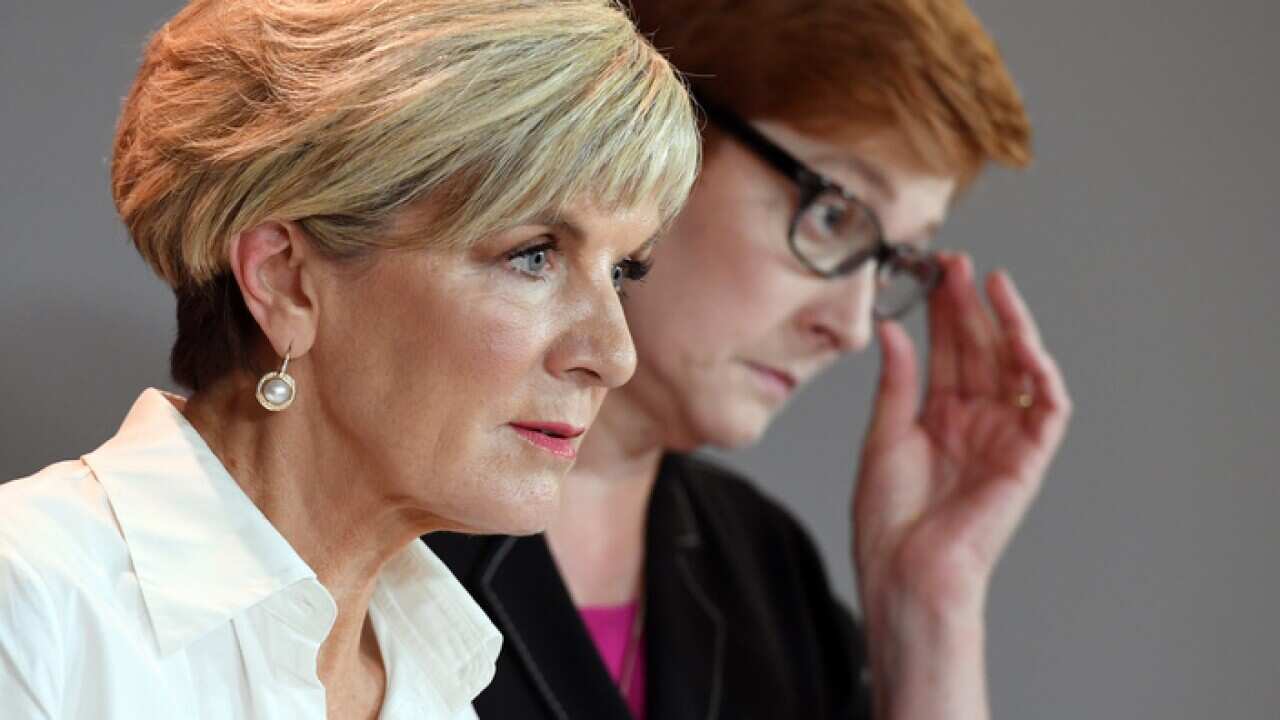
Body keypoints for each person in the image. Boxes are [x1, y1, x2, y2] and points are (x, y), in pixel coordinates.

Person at [0, 1, 700, 718]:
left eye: (622, 272)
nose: (614, 356)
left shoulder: (439, 680)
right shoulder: (29, 605)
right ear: (285, 280)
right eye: (533, 256)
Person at [426, 0, 1072, 717]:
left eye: (893, 258)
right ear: (657, 137)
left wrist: (930, 611)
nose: (851, 327)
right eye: (832, 216)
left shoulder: (769, 572)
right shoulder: (380, 510)